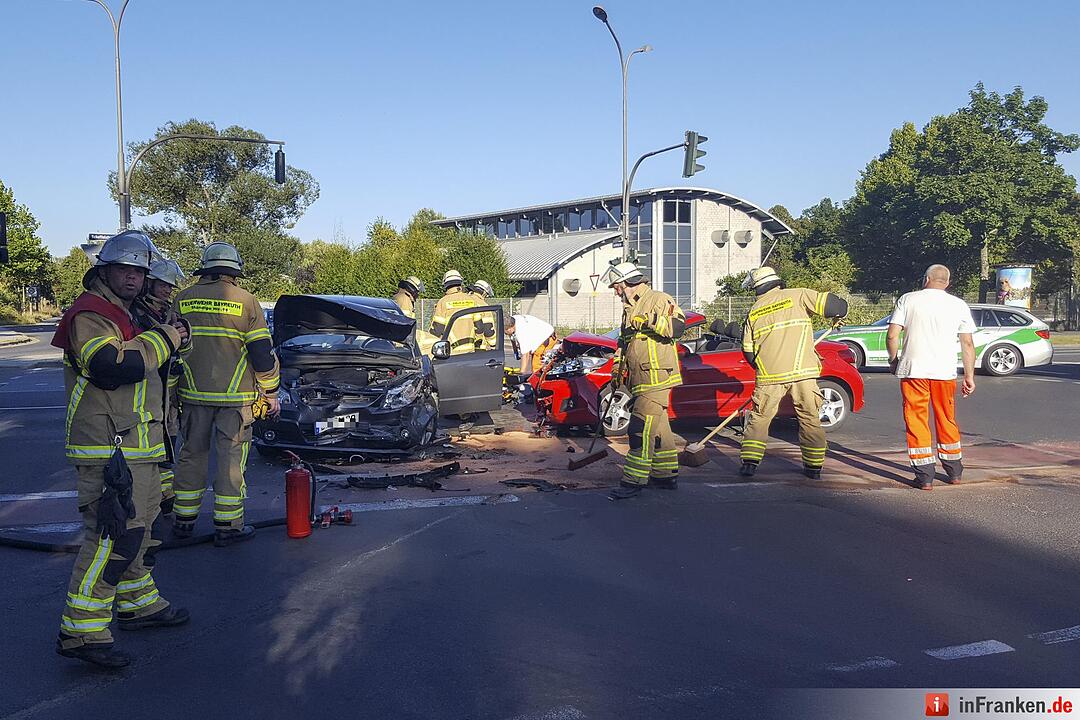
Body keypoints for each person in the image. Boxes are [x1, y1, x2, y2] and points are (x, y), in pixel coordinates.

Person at [50, 230, 190, 669]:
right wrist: (166, 338)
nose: (133, 278)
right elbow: (111, 365)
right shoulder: (90, 314)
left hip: (137, 447)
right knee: (111, 539)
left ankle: (137, 603)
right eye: (124, 269)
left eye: (139, 271)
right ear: (104, 270)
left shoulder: (127, 316)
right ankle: (80, 630)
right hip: (107, 450)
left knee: (139, 535)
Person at [171, 242, 280, 546]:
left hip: (192, 396)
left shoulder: (183, 299)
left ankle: (183, 520)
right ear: (235, 271)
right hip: (235, 400)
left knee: (191, 456)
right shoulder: (245, 302)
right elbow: (261, 353)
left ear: (204, 268)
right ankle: (228, 524)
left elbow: (171, 350)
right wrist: (270, 393)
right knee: (231, 461)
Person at [739, 266, 848, 479]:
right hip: (802, 372)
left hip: (769, 375)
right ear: (777, 282)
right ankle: (813, 468)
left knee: (760, 418)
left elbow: (748, 351)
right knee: (808, 418)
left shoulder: (754, 310)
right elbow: (837, 306)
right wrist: (838, 315)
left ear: (757, 288)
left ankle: (749, 464)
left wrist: (764, 366)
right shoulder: (799, 295)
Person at [886, 264, 976, 490]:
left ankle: (925, 476)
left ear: (926, 278)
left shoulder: (908, 299)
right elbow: (967, 343)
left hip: (914, 369)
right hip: (944, 371)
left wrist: (893, 360)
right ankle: (954, 470)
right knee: (946, 418)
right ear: (947, 282)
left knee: (916, 419)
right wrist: (969, 376)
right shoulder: (958, 305)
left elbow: (892, 335)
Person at [602, 261, 686, 499]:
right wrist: (617, 370)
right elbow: (624, 344)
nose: (615, 291)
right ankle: (666, 475)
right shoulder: (628, 308)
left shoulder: (658, 299)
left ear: (628, 283)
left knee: (640, 427)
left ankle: (633, 481)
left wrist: (649, 319)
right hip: (640, 377)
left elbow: (678, 327)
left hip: (657, 375)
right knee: (659, 428)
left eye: (616, 286)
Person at [133, 259, 188, 513]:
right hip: (148, 390)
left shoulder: (169, 312)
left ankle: (165, 494)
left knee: (169, 439)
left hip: (169, 393)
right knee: (152, 443)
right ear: (150, 283)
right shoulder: (137, 311)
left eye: (170, 286)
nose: (167, 290)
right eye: (163, 284)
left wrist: (185, 336)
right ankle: (159, 494)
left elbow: (184, 346)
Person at [429, 269, 478, 354]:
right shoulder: (471, 300)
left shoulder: (443, 302)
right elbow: (479, 327)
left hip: (452, 353)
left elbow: (437, 330)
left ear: (445, 285)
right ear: (460, 283)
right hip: (470, 352)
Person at [467, 279, 498, 350]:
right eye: (486, 295)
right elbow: (488, 329)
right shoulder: (483, 306)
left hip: (459, 346)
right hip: (478, 347)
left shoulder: (464, 301)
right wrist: (494, 344)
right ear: (483, 293)